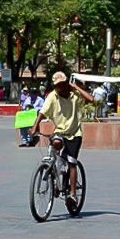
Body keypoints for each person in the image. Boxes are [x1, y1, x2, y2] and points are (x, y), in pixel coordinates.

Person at [30, 72, 96, 210]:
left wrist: (75, 87)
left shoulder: (75, 95)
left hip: (74, 133)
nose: (62, 88)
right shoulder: (52, 96)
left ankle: (73, 195)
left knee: (72, 162)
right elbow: (43, 112)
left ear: (67, 83)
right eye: (59, 85)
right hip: (59, 132)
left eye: (64, 84)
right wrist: (35, 126)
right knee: (56, 143)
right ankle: (57, 171)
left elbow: (91, 99)